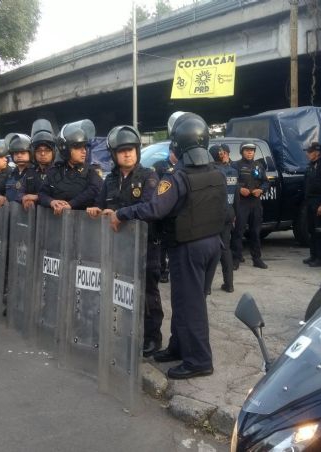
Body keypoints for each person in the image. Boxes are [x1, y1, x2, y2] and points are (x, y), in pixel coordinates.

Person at [104, 112, 225, 380]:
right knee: (186, 302)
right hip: (212, 245)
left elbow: (155, 208)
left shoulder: (176, 177)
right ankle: (179, 347)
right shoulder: (217, 173)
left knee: (190, 305)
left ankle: (199, 361)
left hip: (188, 248)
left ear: (178, 145)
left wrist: (122, 214)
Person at [87, 125, 163, 357]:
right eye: (122, 151)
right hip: (118, 247)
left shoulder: (149, 176)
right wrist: (95, 209)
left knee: (147, 293)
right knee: (122, 291)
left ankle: (152, 337)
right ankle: (125, 332)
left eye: (131, 150)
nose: (127, 154)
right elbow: (102, 204)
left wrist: (120, 213)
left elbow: (150, 208)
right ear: (114, 155)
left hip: (146, 246)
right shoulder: (109, 180)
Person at [39, 119, 101, 213]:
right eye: (78, 147)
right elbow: (42, 194)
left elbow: (93, 191)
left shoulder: (91, 171)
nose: (84, 151)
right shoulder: (54, 172)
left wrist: (71, 204)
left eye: (84, 147)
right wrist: (51, 202)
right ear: (66, 149)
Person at [231, 142, 269, 270]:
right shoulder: (235, 165)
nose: (249, 152)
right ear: (242, 152)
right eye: (247, 150)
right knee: (238, 231)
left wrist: (261, 190)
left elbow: (265, 183)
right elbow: (230, 182)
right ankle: (235, 259)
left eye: (252, 150)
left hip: (255, 203)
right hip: (241, 203)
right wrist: (239, 189)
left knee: (255, 231)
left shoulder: (258, 165)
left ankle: (257, 259)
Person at [205, 143, 237, 293]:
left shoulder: (212, 172)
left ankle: (207, 287)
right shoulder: (233, 171)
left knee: (210, 249)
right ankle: (229, 284)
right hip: (229, 210)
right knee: (225, 248)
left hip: (214, 213)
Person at [302, 142, 321, 267]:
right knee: (311, 229)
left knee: (319, 231)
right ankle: (313, 255)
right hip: (309, 201)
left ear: (316, 153)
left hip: (319, 202)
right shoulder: (310, 166)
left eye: (309, 152)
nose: (307, 154)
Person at [152, 148, 178, 284]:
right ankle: (163, 271)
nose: (176, 155)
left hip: (176, 212)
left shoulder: (182, 166)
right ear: (170, 152)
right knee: (162, 245)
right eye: (173, 152)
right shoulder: (160, 166)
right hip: (163, 209)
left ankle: (172, 269)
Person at [20, 119, 56, 210]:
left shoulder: (59, 171)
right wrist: (24, 199)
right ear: (33, 153)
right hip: (33, 218)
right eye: (39, 150)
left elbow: (62, 195)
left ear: (53, 152)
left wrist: (36, 197)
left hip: (54, 219)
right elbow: (20, 192)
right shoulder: (30, 173)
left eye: (47, 150)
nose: (43, 154)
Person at [0, 133, 33, 206]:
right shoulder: (10, 174)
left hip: (29, 215)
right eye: (16, 153)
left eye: (23, 153)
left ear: (30, 153)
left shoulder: (35, 173)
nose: (19, 155)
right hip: (11, 215)